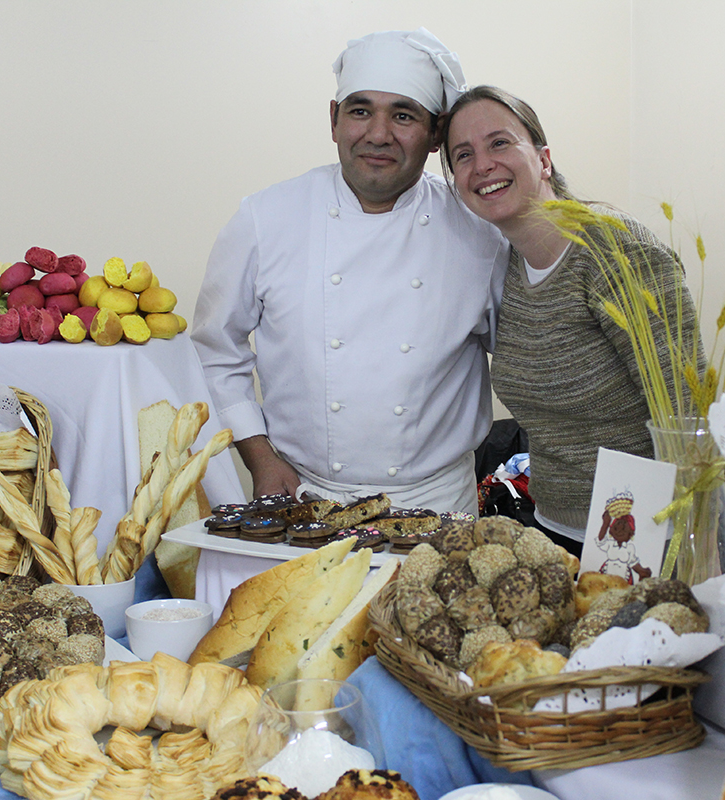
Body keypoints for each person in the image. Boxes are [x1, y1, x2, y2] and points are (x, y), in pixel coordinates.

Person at [192, 30, 508, 516]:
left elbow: (525, 357)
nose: (378, 134)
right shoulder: (265, 217)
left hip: (437, 504)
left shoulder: (481, 234)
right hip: (303, 495)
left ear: (435, 133)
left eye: (403, 115)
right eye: (360, 111)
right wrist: (259, 458)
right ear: (334, 119)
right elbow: (216, 349)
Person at [441, 86, 702, 555]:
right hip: (553, 530)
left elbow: (689, 413)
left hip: (642, 534)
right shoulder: (511, 267)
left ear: (543, 159)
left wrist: (692, 543)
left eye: (499, 143)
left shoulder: (613, 250)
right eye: (463, 154)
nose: (482, 165)